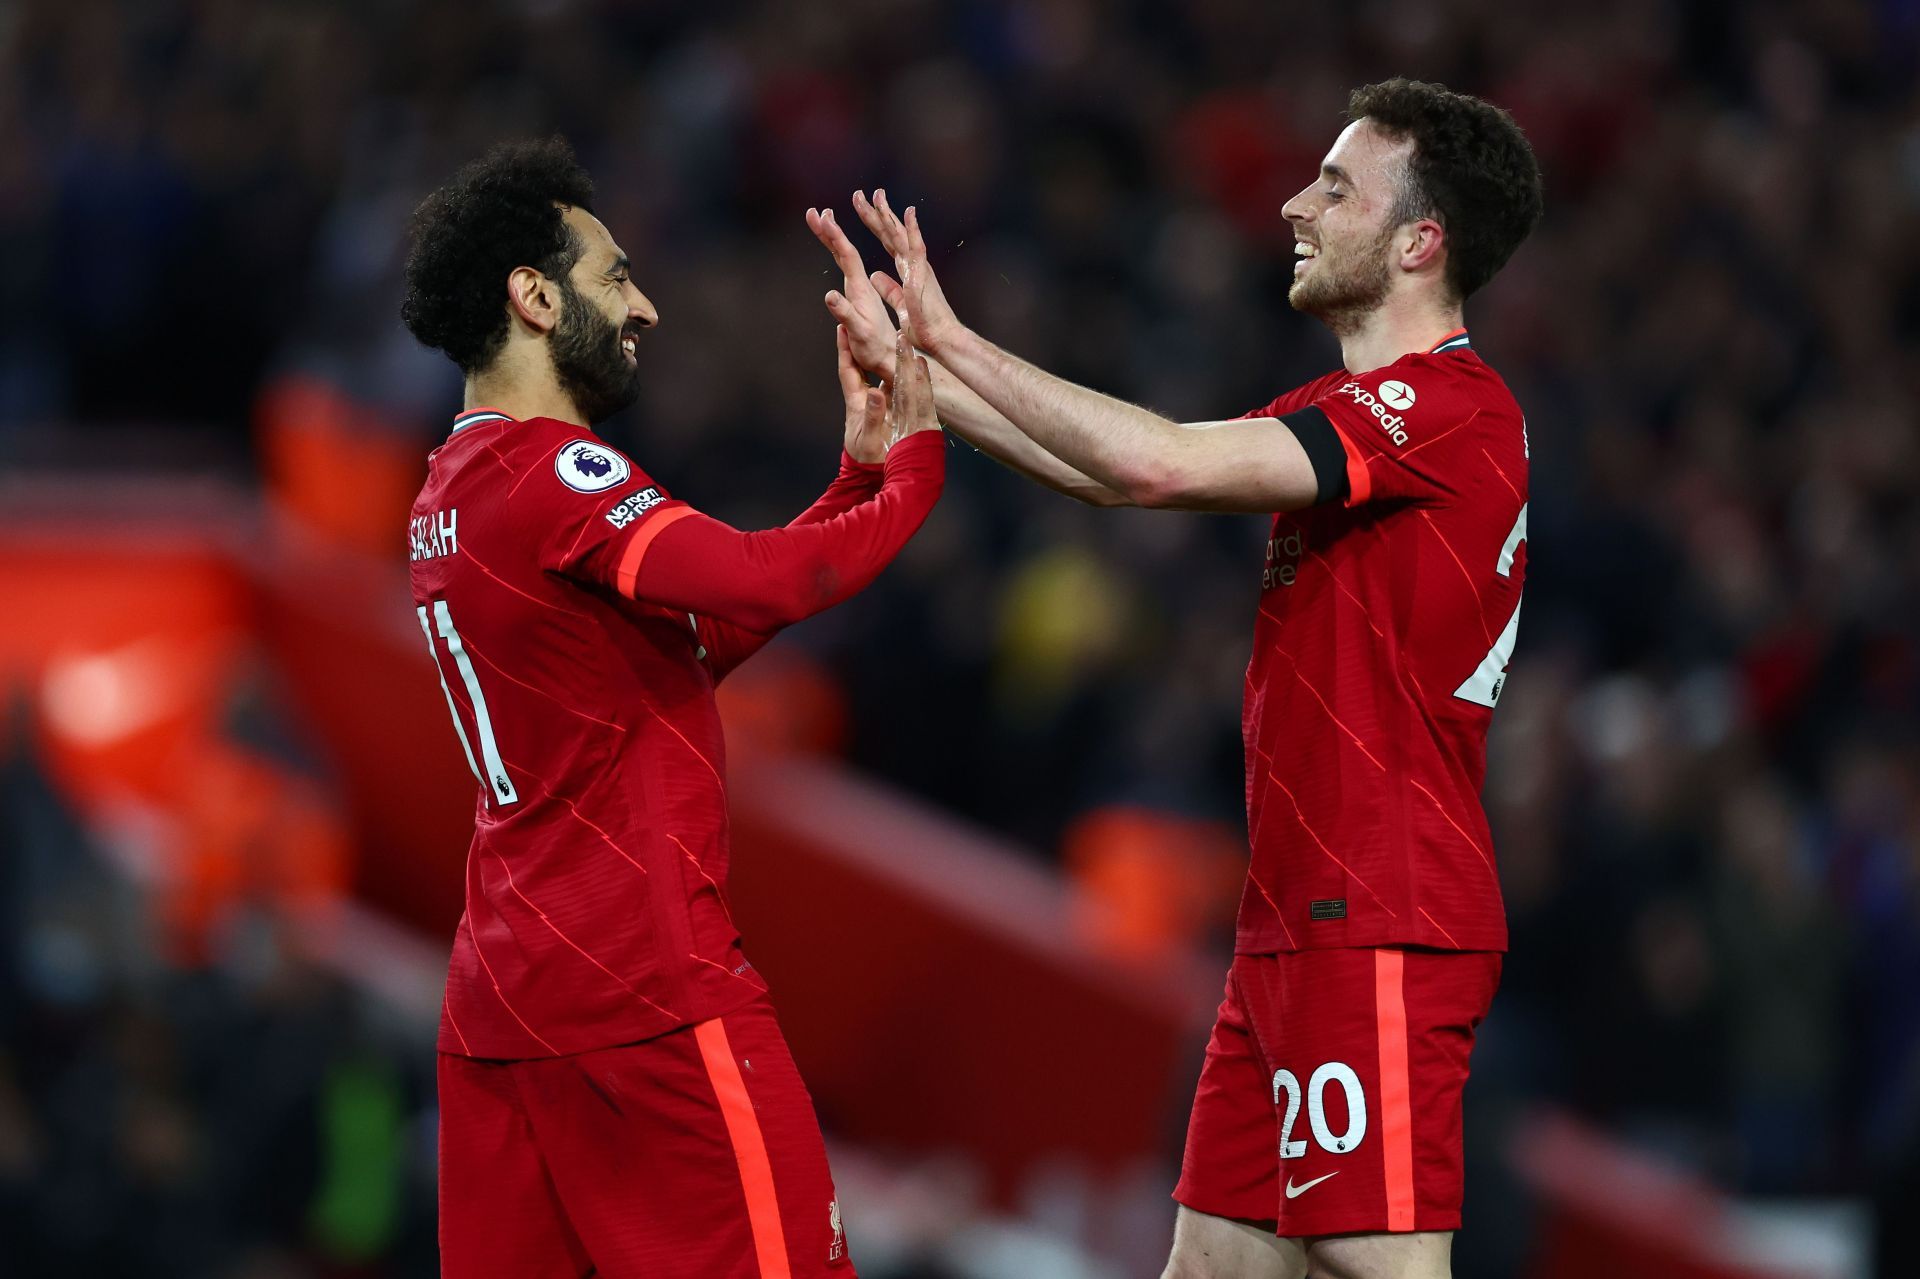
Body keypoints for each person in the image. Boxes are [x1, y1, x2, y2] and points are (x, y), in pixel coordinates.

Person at [811, 78, 1541, 1279]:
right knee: (1212, 1266)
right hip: (1292, 922)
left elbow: (1152, 464)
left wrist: (952, 339)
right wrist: (923, 391)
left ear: (1421, 242)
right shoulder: (1350, 410)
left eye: (1338, 187)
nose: (1299, 205)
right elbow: (1107, 474)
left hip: (1381, 915)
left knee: (1379, 1265)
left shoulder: (1450, 410)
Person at [402, 136, 942, 1279]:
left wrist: (852, 480)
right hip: (641, 992)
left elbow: (684, 647)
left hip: (502, 1005)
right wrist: (921, 461)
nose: (644, 307)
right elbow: (767, 579)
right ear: (534, 297)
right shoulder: (552, 475)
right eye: (615, 277)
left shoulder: (449, 494)